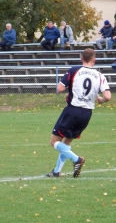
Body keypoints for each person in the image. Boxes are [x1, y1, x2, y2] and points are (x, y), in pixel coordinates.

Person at [46, 48, 111, 178]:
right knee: (66, 143)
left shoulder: (74, 70)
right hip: (86, 114)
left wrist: (69, 85)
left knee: (54, 142)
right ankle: (57, 171)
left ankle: (77, 159)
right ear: (94, 60)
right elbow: (108, 97)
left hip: (72, 110)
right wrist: (100, 100)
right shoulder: (100, 75)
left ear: (81, 58)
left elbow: (60, 88)